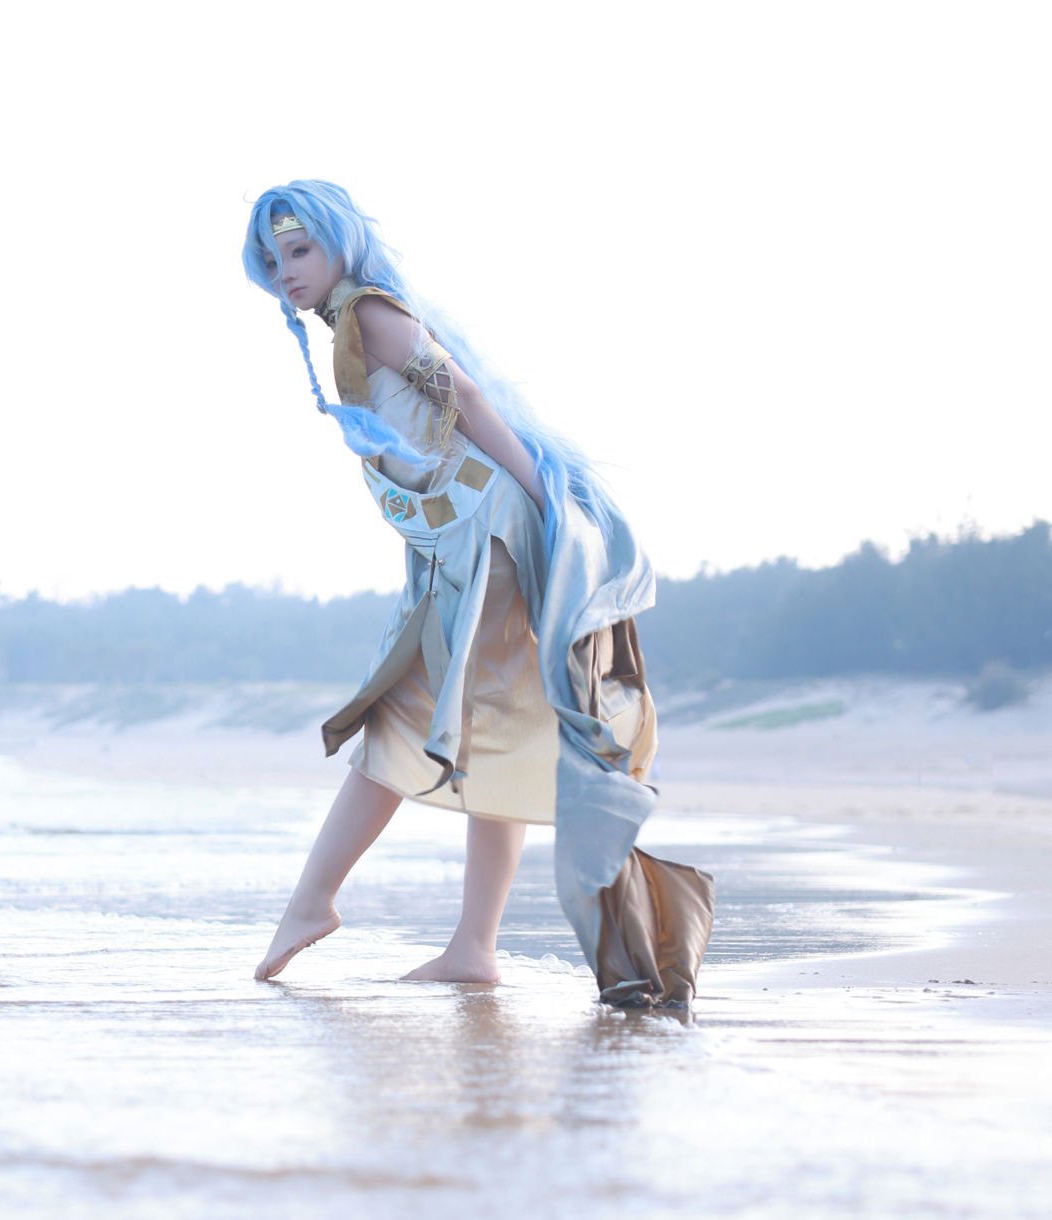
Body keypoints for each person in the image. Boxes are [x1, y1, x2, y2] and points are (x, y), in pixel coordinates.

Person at [245, 181, 713, 1010]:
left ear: (341, 242)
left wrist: (544, 496)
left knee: (400, 714)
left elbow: (464, 398)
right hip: (462, 541)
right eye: (274, 259)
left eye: (300, 250)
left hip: (485, 537)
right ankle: (473, 947)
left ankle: (314, 902)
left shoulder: (369, 313)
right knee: (491, 725)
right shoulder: (354, 318)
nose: (287, 271)